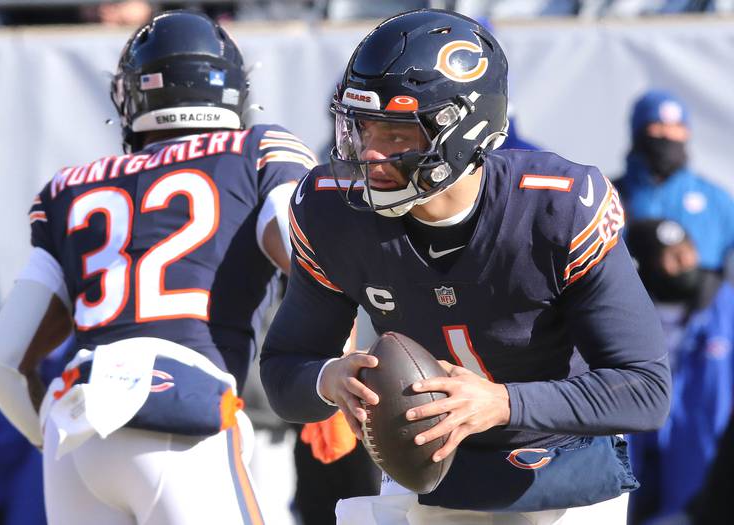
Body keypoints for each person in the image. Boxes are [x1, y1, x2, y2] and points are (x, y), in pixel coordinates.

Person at [260, 8, 671, 524]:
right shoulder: (332, 212)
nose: (370, 156)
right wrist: (329, 379)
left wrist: (503, 402)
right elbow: (282, 370)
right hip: (431, 466)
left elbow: (645, 389)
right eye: (362, 129)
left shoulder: (557, 208)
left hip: (556, 465)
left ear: (463, 129)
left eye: (396, 135)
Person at [0, 10, 315, 525]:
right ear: (232, 91)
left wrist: (55, 434)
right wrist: (330, 372)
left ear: (132, 95)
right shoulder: (258, 150)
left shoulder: (73, 185)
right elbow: (312, 261)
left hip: (78, 425)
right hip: (185, 409)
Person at [624, 219, 734, 525]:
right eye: (671, 255)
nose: (685, 261)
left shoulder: (725, 307)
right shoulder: (624, 313)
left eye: (687, 250)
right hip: (636, 454)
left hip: (703, 459)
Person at [616, 89, 734, 272]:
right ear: (638, 132)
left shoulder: (716, 199)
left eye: (677, 128)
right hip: (631, 297)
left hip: (700, 299)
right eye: (657, 126)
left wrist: (716, 290)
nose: (668, 135)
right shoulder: (610, 197)